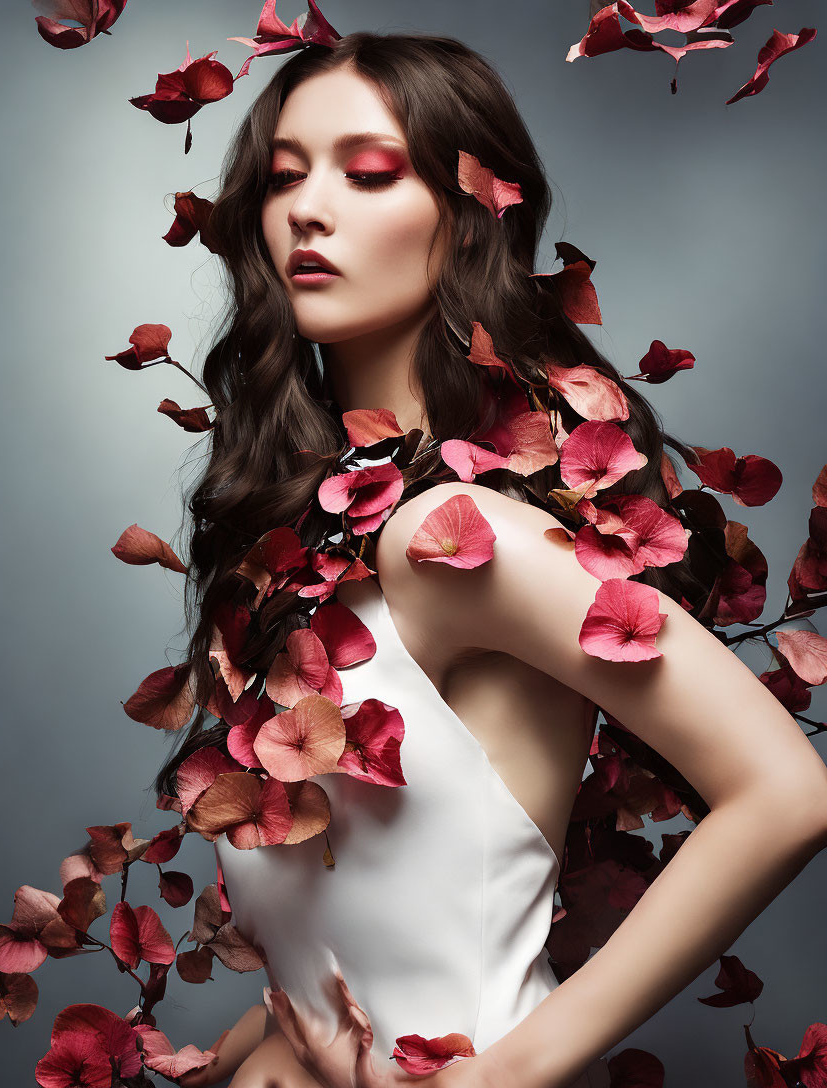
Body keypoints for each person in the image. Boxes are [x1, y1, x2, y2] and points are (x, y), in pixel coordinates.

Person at [164, 29, 827, 1088]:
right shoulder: (302, 551)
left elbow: (786, 791)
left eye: (370, 172)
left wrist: (508, 1073)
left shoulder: (458, 537)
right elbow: (348, 942)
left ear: (469, 216)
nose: (307, 208)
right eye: (283, 177)